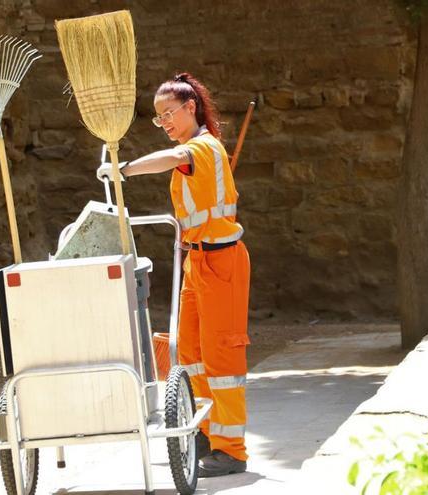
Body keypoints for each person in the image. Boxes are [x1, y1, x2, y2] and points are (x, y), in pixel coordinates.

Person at [99, 72, 250, 478]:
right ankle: (200, 431)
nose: (164, 121)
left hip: (222, 262)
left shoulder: (201, 148)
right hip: (196, 262)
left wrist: (124, 169)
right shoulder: (193, 148)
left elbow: (172, 159)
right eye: (158, 117)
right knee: (190, 355)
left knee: (222, 357)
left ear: (190, 108)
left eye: (169, 113)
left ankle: (231, 449)